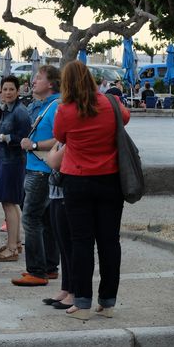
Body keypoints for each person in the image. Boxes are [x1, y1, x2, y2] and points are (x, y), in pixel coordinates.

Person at [53, 60, 129, 320]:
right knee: (110, 242)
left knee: (81, 242)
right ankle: (107, 303)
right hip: (110, 180)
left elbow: (60, 136)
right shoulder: (111, 103)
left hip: (77, 181)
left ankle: (82, 304)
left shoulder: (65, 110)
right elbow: (126, 119)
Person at [11, 65, 60, 287]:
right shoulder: (45, 105)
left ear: (50, 83)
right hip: (38, 168)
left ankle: (37, 271)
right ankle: (49, 267)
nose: (33, 81)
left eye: (38, 78)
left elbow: (61, 138)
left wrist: (34, 144)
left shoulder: (56, 106)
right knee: (46, 220)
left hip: (42, 170)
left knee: (31, 218)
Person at [0, 76, 30, 262]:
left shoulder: (20, 112)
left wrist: (1, 137)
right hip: (5, 161)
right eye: (5, 89)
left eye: (12, 89)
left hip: (14, 162)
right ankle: (15, 242)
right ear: (0, 92)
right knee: (9, 203)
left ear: (18, 91)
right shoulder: (5, 110)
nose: (8, 92)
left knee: (9, 203)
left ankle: (12, 248)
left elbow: (24, 139)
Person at [42, 142, 74, 310]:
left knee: (69, 246)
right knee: (62, 245)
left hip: (66, 193)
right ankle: (66, 288)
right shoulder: (62, 139)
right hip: (55, 192)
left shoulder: (70, 138)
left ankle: (73, 292)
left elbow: (53, 161)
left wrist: (52, 152)